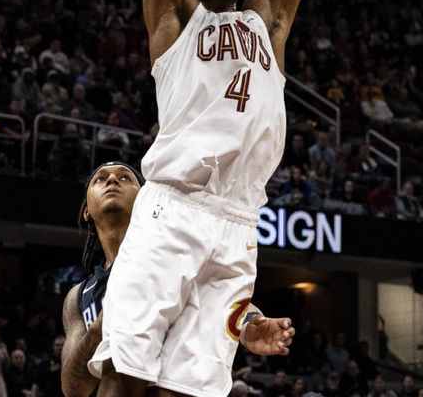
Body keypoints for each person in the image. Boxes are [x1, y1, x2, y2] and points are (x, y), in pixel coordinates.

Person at [89, 0, 317, 392]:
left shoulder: (268, 23)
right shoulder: (170, 19)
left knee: (192, 387)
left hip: (241, 220)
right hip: (173, 206)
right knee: (126, 374)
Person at [63, 162, 296, 397]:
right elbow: (73, 389)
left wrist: (248, 325)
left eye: (124, 178)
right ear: (86, 211)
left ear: (146, 200)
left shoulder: (177, 256)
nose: (112, 181)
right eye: (100, 179)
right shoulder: (79, 295)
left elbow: (220, 300)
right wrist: (100, 330)